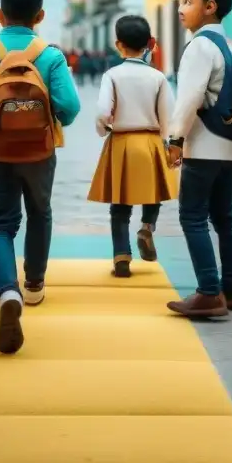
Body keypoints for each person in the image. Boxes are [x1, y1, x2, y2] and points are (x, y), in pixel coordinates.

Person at [0, 0, 81, 355]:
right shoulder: (51, 55)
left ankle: (7, 291)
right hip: (41, 152)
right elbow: (70, 108)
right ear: (40, 15)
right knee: (40, 213)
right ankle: (35, 285)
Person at [164, 0, 232, 319]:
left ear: (209, 7)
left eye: (188, 1)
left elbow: (189, 99)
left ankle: (208, 292)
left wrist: (175, 139)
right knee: (224, 215)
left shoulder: (199, 46)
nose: (181, 9)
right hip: (230, 145)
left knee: (192, 216)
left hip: (203, 145)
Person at [87, 15, 178, 277]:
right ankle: (147, 227)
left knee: (120, 204)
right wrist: (169, 142)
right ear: (149, 43)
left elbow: (104, 111)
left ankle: (121, 257)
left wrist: (103, 129)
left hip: (122, 141)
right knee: (154, 192)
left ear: (118, 44)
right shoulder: (158, 77)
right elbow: (167, 115)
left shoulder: (112, 75)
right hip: (150, 140)